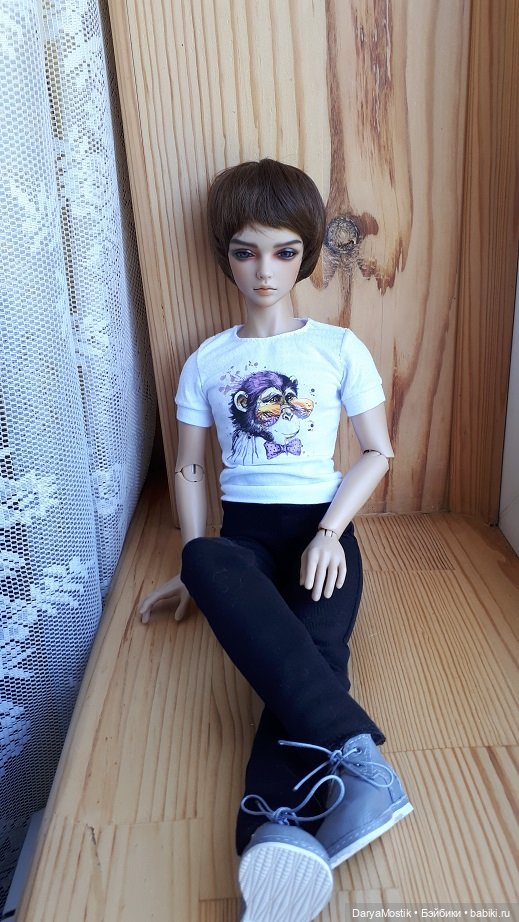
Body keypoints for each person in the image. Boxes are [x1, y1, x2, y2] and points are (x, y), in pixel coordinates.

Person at [139, 159, 413, 922]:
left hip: (321, 530)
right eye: (245, 251)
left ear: (306, 254)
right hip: (244, 540)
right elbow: (189, 466)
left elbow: (376, 452)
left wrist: (329, 532)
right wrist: (194, 568)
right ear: (224, 254)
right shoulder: (207, 360)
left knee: (310, 654)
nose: (264, 271)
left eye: (284, 251)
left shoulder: (337, 348)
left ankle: (270, 832)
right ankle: (361, 767)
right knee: (205, 556)